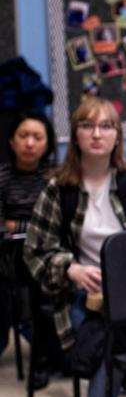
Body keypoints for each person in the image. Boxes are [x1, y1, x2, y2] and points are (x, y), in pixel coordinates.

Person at [23, 98, 126, 397]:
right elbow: (33, 253)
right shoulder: (57, 190)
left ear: (117, 137)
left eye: (106, 126)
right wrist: (72, 269)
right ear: (75, 135)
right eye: (88, 126)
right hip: (77, 300)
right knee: (108, 336)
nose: (97, 134)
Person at [0, 110, 57, 358]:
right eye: (23, 136)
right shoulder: (1, 176)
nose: (30, 143)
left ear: (48, 143)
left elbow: (56, 224)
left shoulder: (55, 176)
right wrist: (29, 226)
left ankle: (44, 348)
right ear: (12, 141)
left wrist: (18, 226)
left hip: (46, 253)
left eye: (37, 137)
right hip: (6, 257)